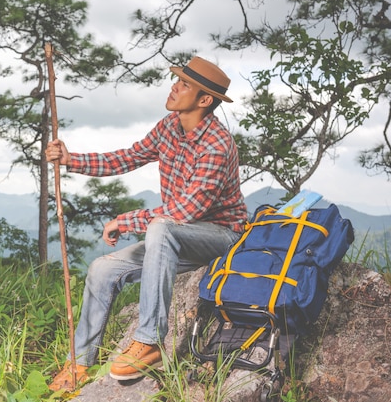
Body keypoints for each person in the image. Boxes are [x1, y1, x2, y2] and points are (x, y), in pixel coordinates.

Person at [46, 56, 248, 392]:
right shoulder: (169, 126)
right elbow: (128, 156)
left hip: (221, 238)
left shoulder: (217, 144)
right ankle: (80, 363)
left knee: (162, 227)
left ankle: (150, 340)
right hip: (174, 238)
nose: (174, 87)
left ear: (204, 100)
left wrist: (123, 221)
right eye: (177, 80)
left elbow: (184, 212)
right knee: (101, 268)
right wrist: (70, 160)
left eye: (184, 84)